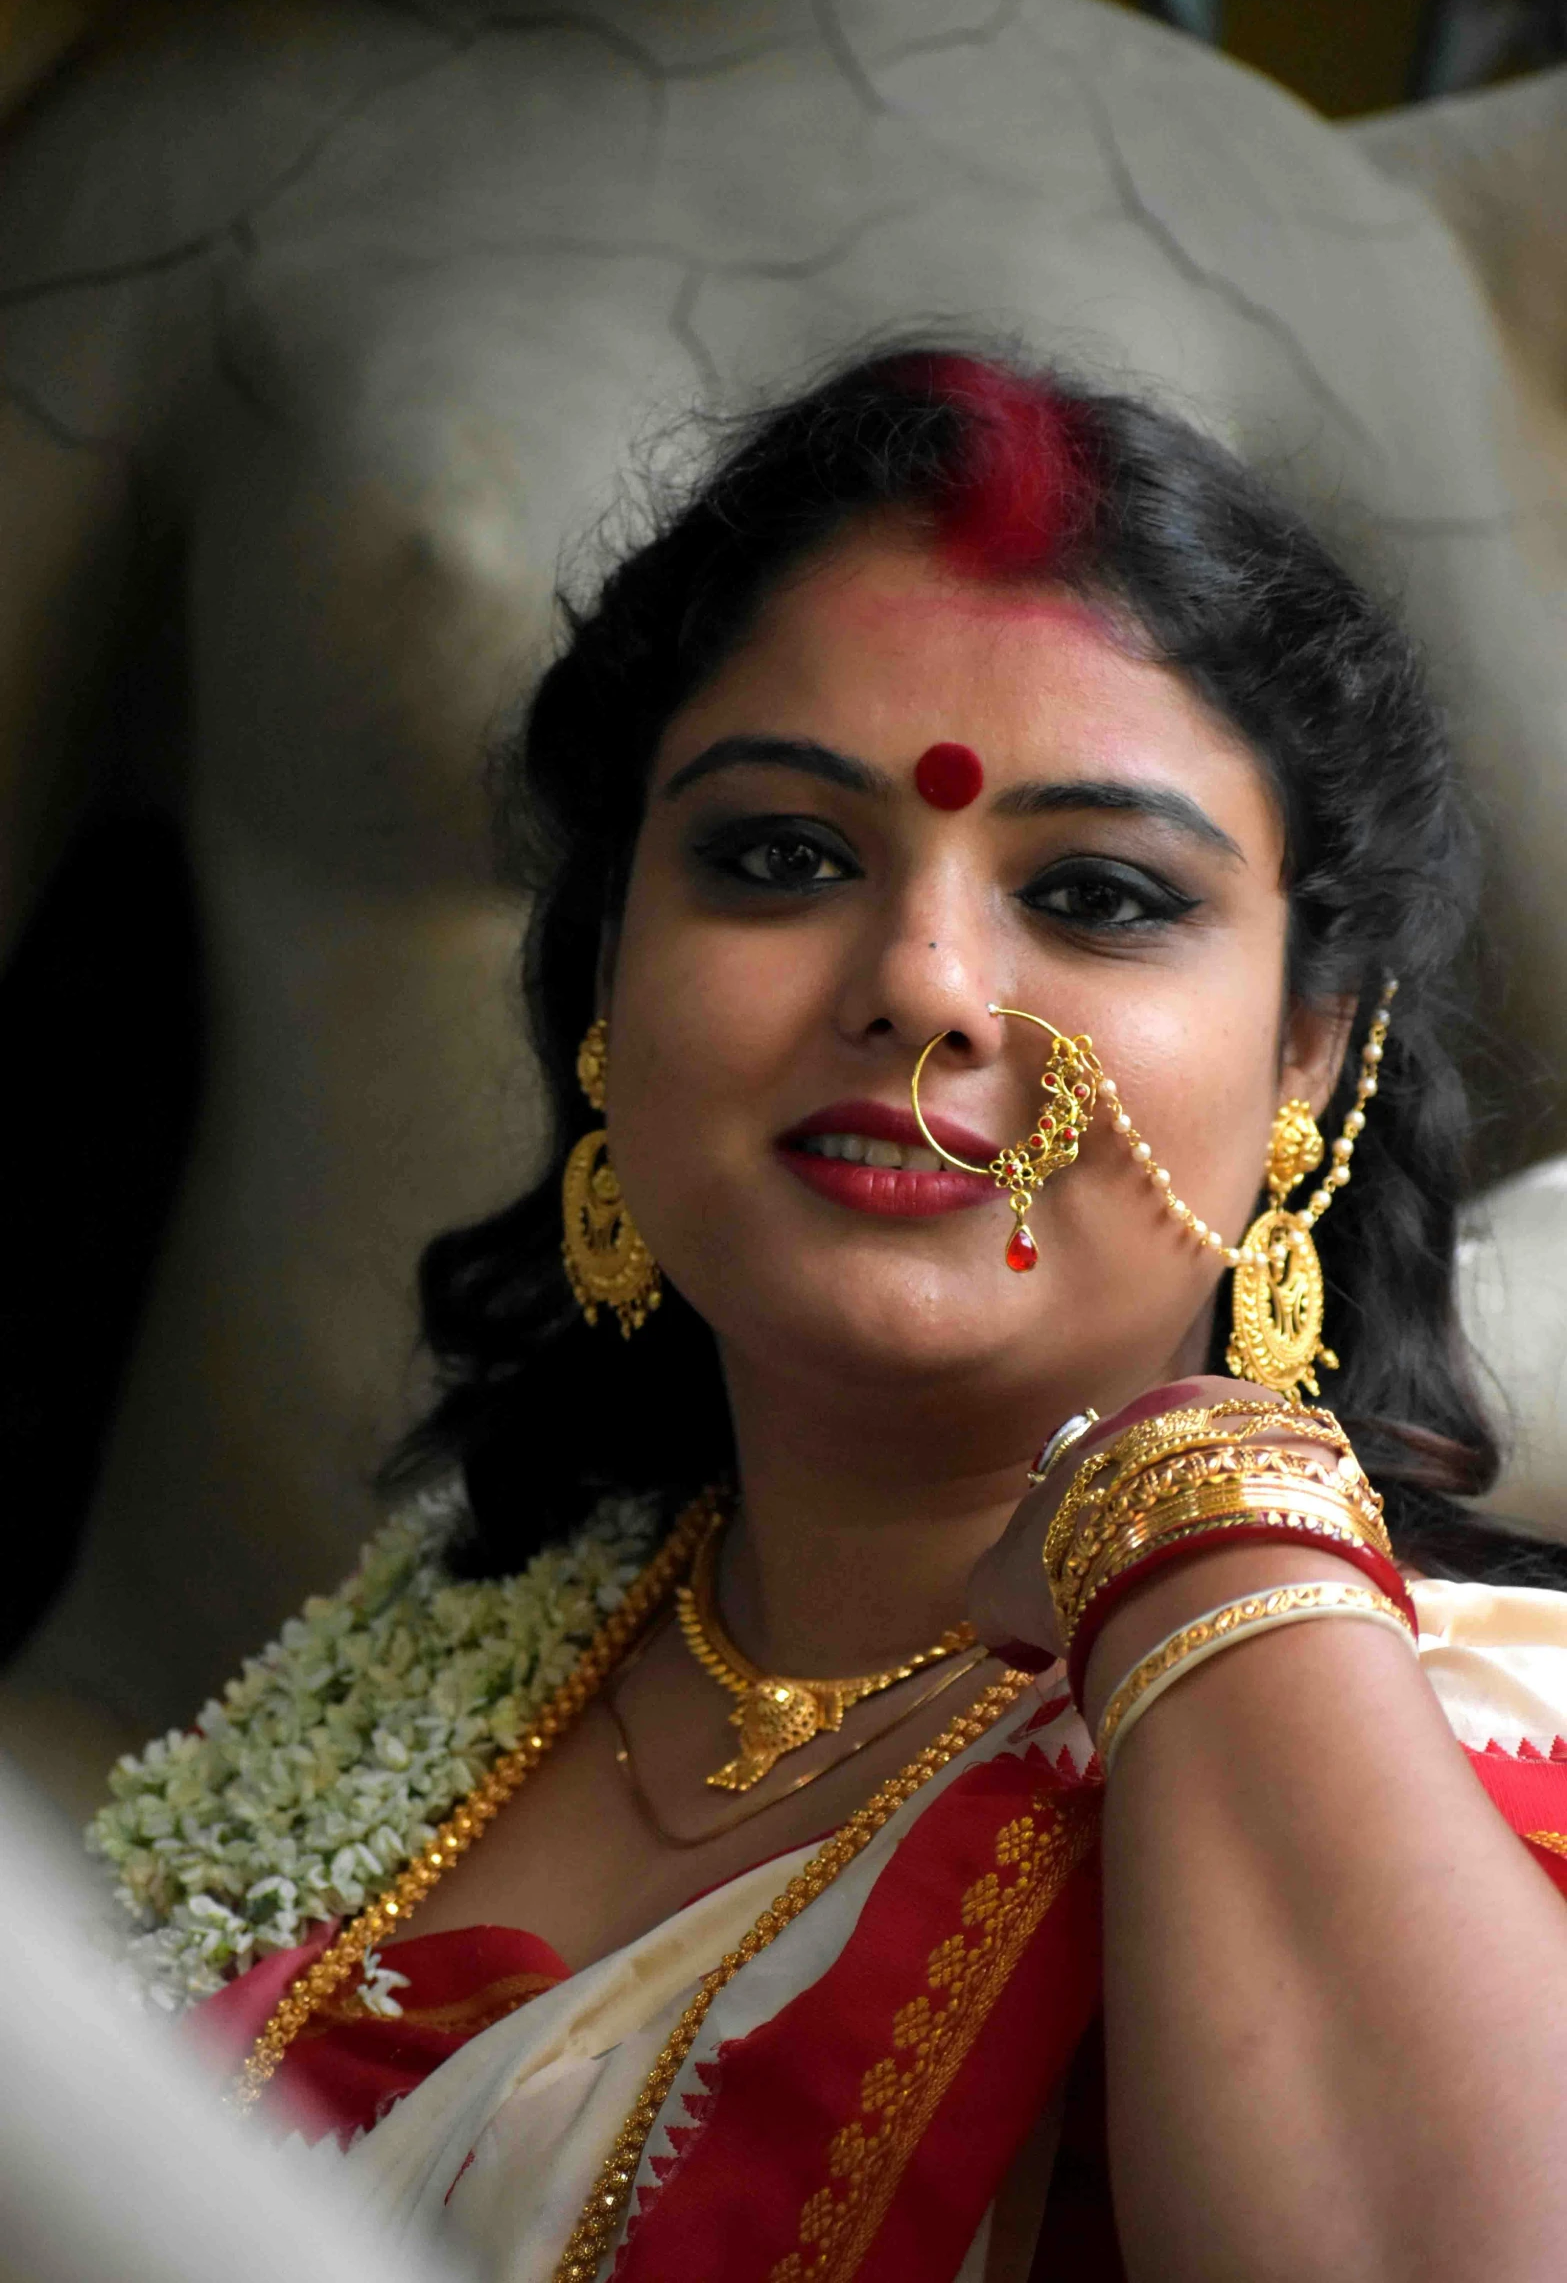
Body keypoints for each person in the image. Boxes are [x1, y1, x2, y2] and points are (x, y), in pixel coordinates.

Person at [92, 352, 1567, 2283]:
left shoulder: (1445, 1738)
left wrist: (1193, 1514)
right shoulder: (463, 1642)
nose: (924, 983)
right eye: (779, 855)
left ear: (1303, 1050)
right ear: (611, 969)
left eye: (1101, 892)